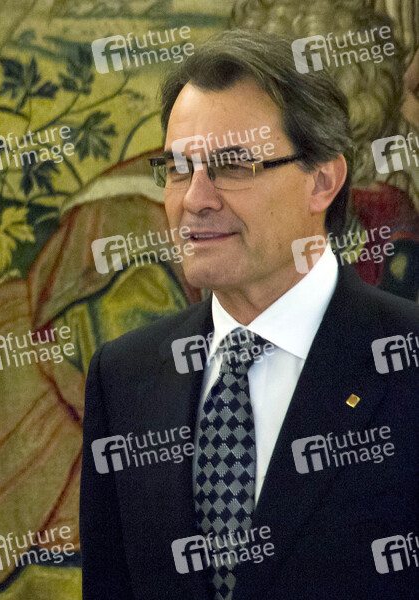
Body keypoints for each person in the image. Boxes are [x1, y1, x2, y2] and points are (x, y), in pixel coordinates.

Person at [80, 30, 419, 600]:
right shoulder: (124, 376)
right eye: (179, 168)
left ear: (322, 181)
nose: (195, 199)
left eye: (232, 166)